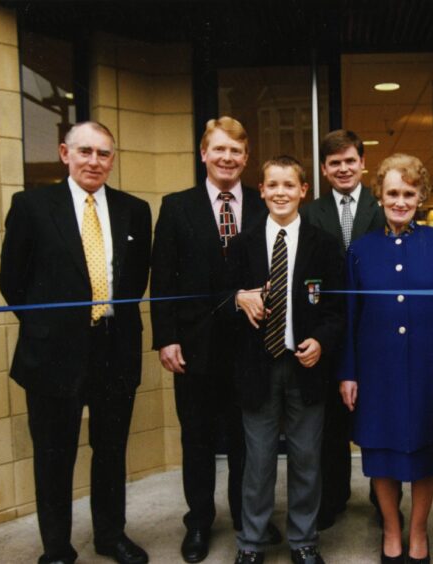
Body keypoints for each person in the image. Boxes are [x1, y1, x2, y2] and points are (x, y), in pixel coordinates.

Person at [0, 121, 151, 564]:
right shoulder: (32, 205)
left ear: (112, 159)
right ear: (65, 153)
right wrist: (48, 328)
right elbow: (12, 280)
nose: (94, 162)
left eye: (104, 154)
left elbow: (136, 277)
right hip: (52, 352)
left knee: (110, 450)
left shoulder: (134, 210)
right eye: (85, 152)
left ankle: (110, 536)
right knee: (53, 454)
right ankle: (57, 548)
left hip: (114, 346)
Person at [150, 117, 278, 563]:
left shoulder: (265, 208)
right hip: (195, 347)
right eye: (219, 150)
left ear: (246, 159)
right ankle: (200, 522)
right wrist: (166, 338)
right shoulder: (176, 206)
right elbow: (163, 279)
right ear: (203, 153)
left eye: (236, 152)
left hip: (250, 346)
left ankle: (249, 519)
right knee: (198, 439)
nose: (227, 158)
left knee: (249, 439)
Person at [339, 153, 433, 563]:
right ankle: (391, 532)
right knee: (380, 450)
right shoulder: (361, 250)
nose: (400, 201)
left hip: (429, 370)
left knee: (426, 450)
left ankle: (417, 533)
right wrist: (349, 372)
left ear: (422, 197)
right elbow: (349, 317)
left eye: (408, 193)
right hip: (377, 370)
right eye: (392, 192)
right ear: (379, 195)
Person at [229, 156, 345, 564]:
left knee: (306, 458)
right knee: (258, 461)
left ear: (303, 191)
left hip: (305, 366)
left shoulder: (324, 244)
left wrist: (321, 341)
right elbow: (223, 299)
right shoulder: (241, 245)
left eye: (288, 185)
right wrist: (237, 298)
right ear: (260, 191)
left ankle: (303, 539)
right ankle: (252, 541)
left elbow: (335, 308)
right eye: (272, 185)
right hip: (257, 367)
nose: (280, 192)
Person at [300, 129, 384, 530]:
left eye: (350, 160)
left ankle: (382, 497)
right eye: (334, 163)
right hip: (329, 327)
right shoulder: (310, 212)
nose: (343, 168)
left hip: (375, 326)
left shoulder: (382, 206)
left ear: (362, 162)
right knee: (331, 421)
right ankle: (332, 497)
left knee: (377, 413)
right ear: (323, 169)